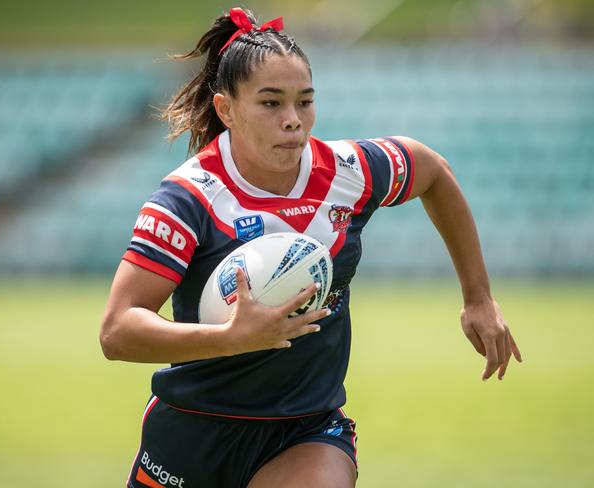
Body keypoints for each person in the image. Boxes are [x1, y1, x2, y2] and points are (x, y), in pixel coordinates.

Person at [100, 7, 522, 488]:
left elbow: (433, 172)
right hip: (194, 432)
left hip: (306, 429)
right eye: (271, 103)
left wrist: (478, 297)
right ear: (225, 109)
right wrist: (230, 339)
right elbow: (118, 330)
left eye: (305, 102)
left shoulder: (349, 172)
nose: (293, 121)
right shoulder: (188, 199)